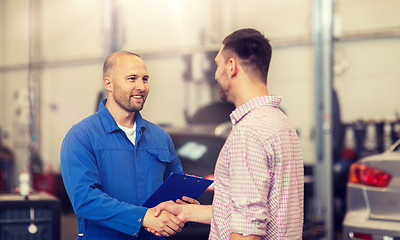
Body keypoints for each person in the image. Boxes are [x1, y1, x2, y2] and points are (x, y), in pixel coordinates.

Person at [151, 28, 304, 240]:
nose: (215, 74)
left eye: (217, 65)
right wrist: (187, 212)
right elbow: (247, 212)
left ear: (231, 66)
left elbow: (247, 230)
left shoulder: (249, 131)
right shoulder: (280, 122)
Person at [60, 51, 185, 240]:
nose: (141, 87)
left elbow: (175, 188)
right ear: (108, 84)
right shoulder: (82, 136)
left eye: (145, 79)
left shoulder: (160, 137)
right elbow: (85, 199)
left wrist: (184, 204)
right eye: (132, 79)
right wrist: (143, 218)